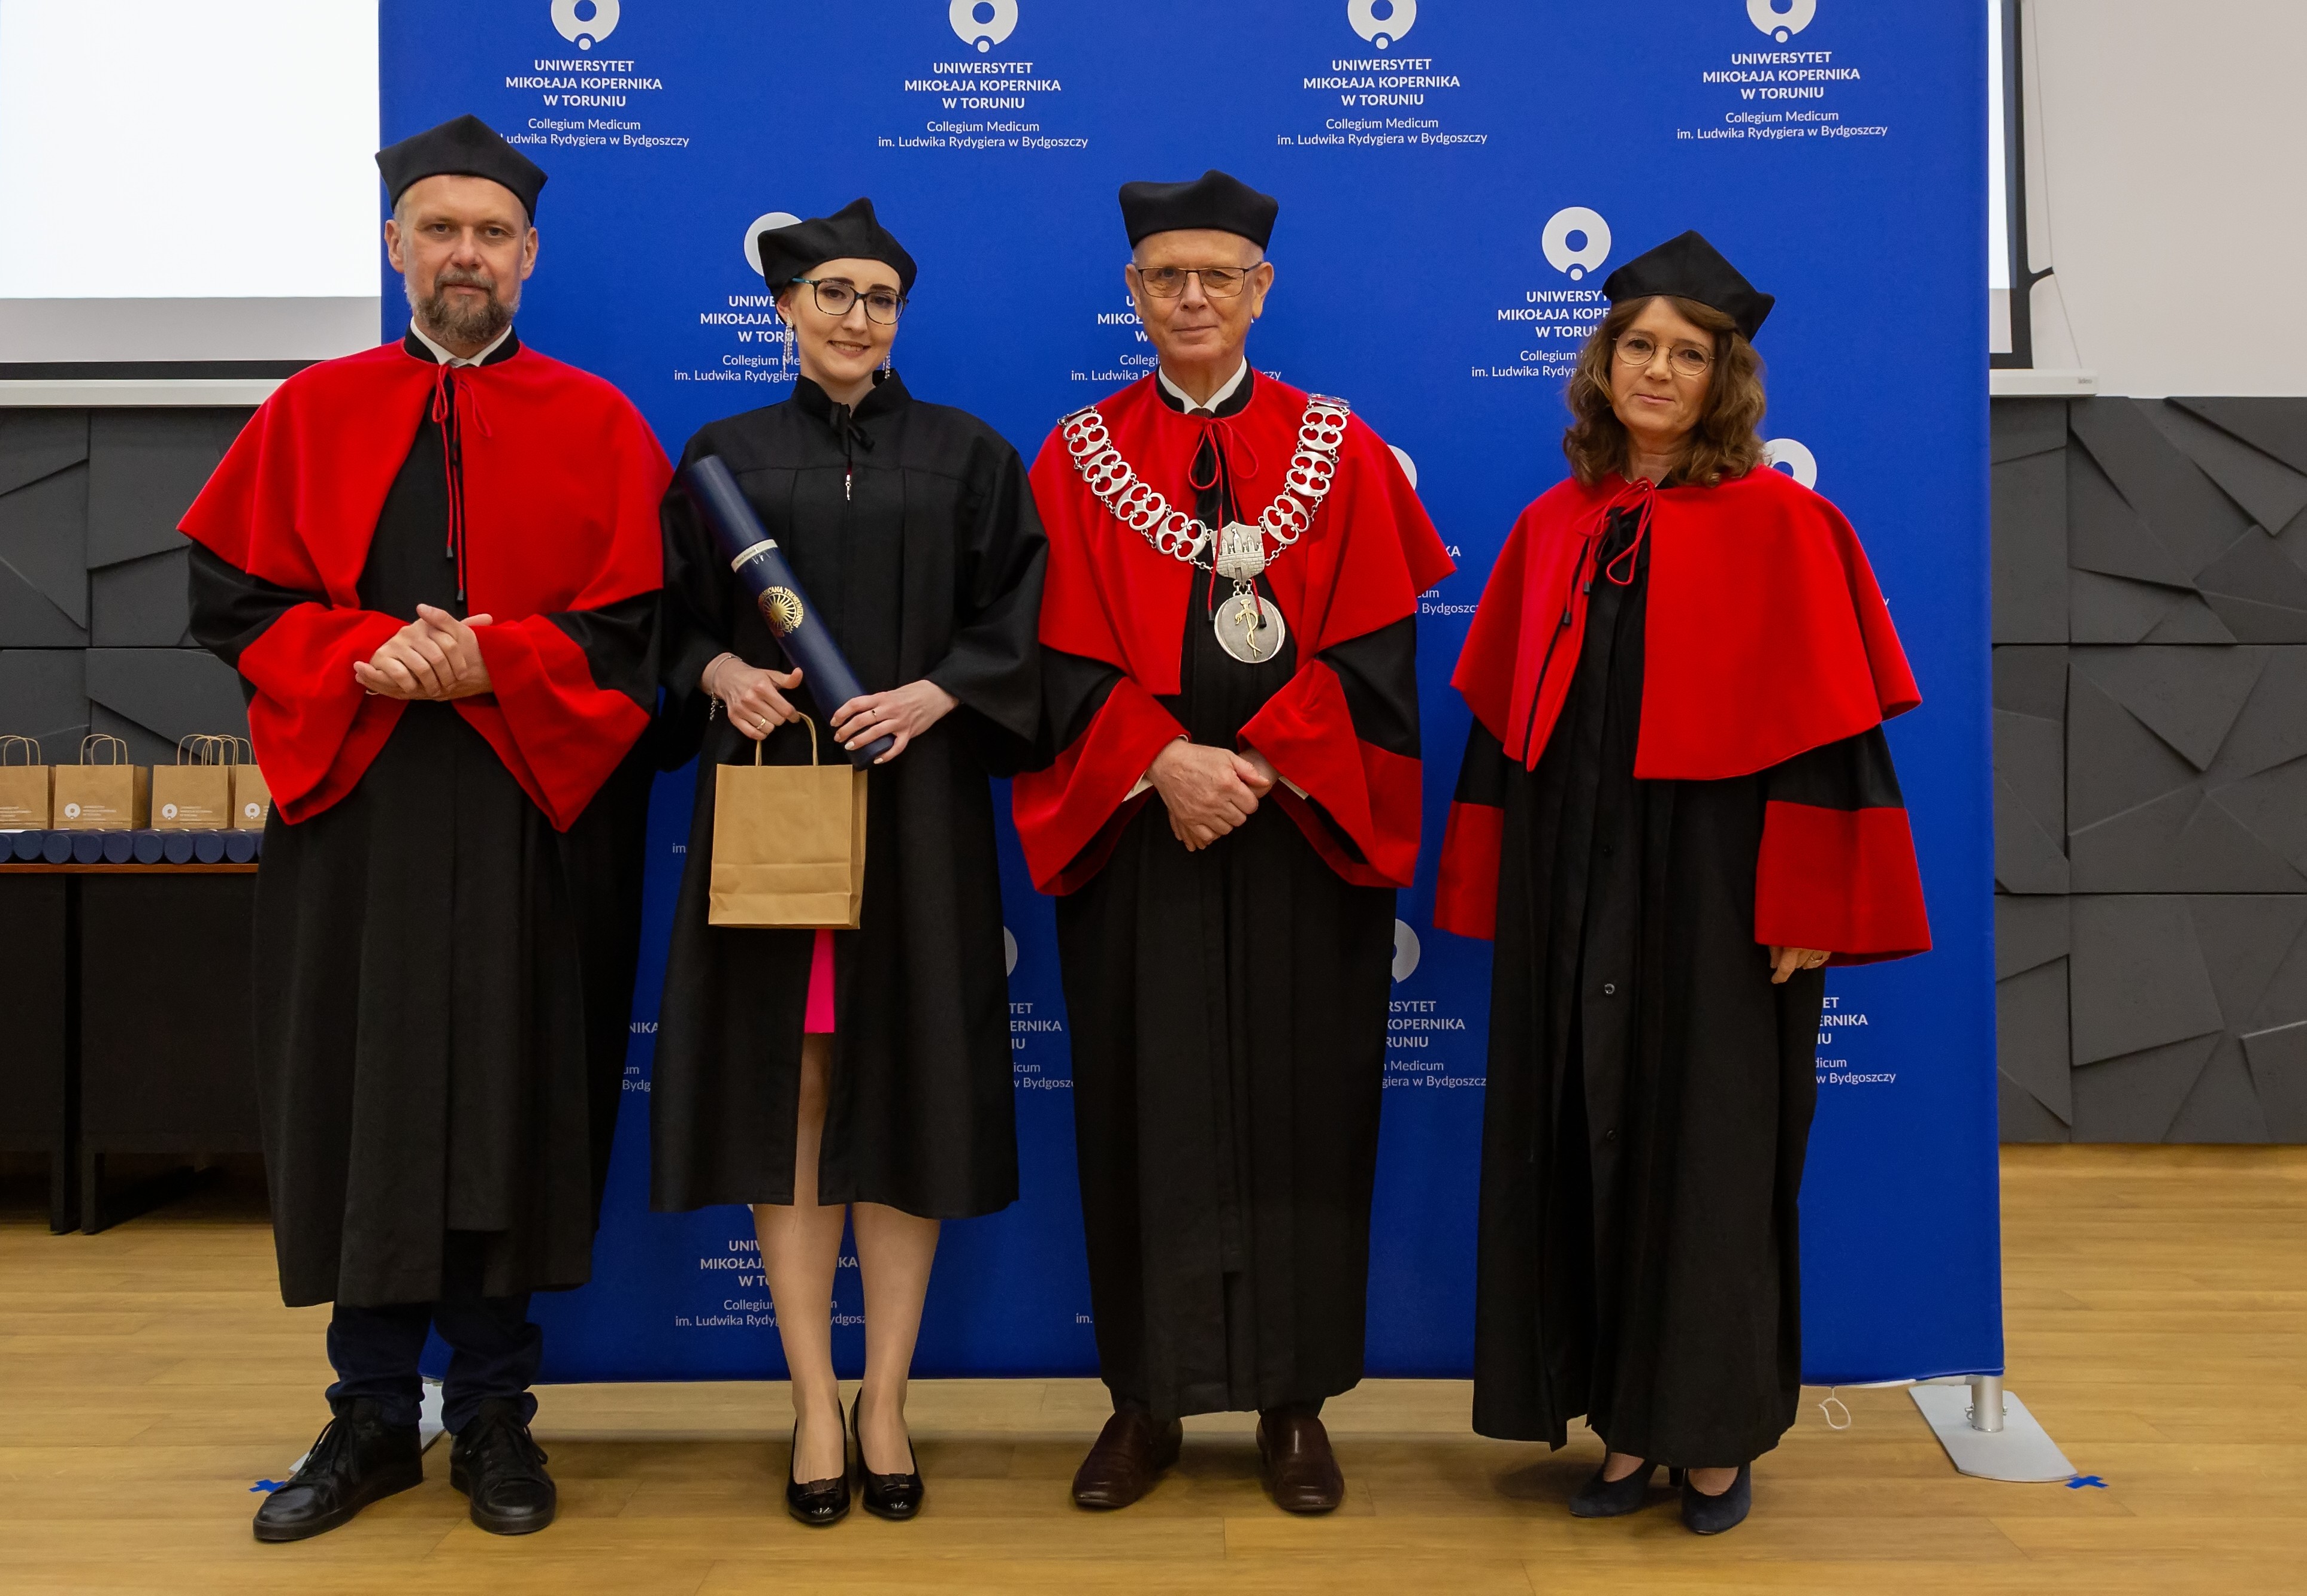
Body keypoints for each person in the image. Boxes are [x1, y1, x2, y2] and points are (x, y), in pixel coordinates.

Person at [183, 114, 668, 1543]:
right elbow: (231, 601)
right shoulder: (310, 411)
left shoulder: (598, 422)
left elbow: (638, 634)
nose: (467, 254)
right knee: (366, 1089)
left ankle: (498, 1413)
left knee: (516, 1090)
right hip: (363, 814)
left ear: (531, 256)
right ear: (396, 245)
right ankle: (373, 1412)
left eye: (492, 234)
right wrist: (366, 654)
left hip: (530, 818)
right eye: (441, 229)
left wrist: (493, 662)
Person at [1435, 231, 1931, 1535]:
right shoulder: (1557, 525)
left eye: (1688, 355)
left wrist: (1809, 909)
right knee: (1583, 1138)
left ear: (1725, 382)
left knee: (1709, 1155)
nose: (1659, 370)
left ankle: (1710, 1437)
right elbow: (1504, 728)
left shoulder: (1788, 526)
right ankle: (1621, 1425)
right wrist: (1499, 889)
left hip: (1720, 894)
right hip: (1575, 886)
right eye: (1639, 347)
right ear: (1605, 367)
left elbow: (1833, 737)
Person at [1012, 171, 1453, 1515]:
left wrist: (1258, 764)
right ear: (1134, 293)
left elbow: (1379, 657)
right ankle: (1144, 1400)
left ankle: (1293, 1400)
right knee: (1141, 1102)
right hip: (1140, 830)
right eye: (1167, 276)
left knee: (1305, 1107)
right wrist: (1160, 760)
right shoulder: (1076, 455)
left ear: (1263, 288)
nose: (1192, 296)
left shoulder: (1341, 449)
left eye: (1219, 275)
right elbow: (1045, 660)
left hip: (1297, 831)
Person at [649, 198, 1047, 1526]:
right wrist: (718, 671)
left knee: (909, 1084)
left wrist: (939, 694)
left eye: (878, 297)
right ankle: (813, 1397)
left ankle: (887, 1397)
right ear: (784, 307)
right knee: (797, 1088)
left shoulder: (968, 455)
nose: (856, 317)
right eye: (831, 293)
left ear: (899, 315)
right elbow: (661, 622)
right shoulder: (724, 455)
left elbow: (1020, 625)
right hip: (775, 803)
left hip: (918, 809)